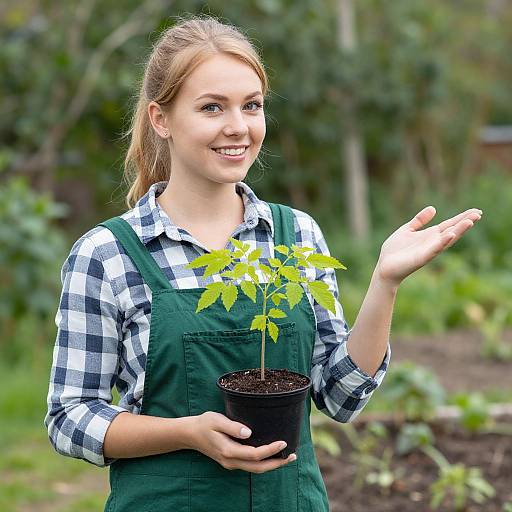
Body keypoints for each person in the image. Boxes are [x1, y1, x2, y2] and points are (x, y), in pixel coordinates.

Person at [44, 14, 482, 512]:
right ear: (160, 119)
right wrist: (188, 433)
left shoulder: (295, 237)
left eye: (251, 106)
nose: (238, 126)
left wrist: (385, 282)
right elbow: (68, 418)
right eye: (212, 107)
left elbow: (340, 396)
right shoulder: (108, 254)